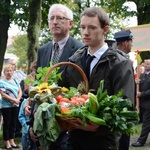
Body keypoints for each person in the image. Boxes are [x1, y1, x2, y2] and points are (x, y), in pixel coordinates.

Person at [50, 6, 135, 150]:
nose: (85, 32)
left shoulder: (120, 63)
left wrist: (98, 128)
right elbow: (59, 90)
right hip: (74, 139)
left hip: (104, 142)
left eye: (92, 27)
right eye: (83, 27)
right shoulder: (74, 61)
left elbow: (127, 107)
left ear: (105, 29)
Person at [24, 3, 84, 149]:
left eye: (60, 18)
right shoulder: (43, 50)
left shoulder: (80, 49)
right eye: (52, 18)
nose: (55, 22)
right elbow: (38, 88)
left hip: (66, 124)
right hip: (43, 123)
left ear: (71, 23)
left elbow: (81, 90)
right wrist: (33, 122)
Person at [114, 29, 134, 150]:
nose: (132, 45)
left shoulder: (121, 58)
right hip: (121, 113)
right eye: (131, 42)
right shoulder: (119, 60)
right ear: (126, 43)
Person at [0, 64, 22, 149]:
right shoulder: (1, 82)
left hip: (15, 105)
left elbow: (20, 91)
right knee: (7, 123)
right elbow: (3, 95)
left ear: (13, 72)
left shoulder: (16, 81)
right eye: (7, 71)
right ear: (4, 72)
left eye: (10, 71)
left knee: (13, 123)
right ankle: (7, 142)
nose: (9, 72)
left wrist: (17, 100)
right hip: (6, 106)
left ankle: (12, 140)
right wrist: (14, 100)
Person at [131, 59, 150, 147]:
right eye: (145, 64)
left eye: (147, 64)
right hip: (142, 104)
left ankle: (141, 141)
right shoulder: (142, 76)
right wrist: (137, 82)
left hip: (149, 104)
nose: (145, 65)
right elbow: (139, 87)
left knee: (146, 123)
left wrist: (142, 94)